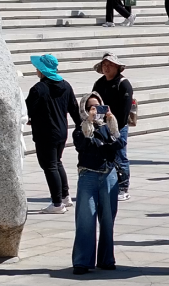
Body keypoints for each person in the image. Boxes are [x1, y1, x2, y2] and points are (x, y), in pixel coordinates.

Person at [71, 92, 125, 274]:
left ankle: (106, 259)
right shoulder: (80, 129)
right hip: (89, 175)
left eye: (98, 107)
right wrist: (89, 122)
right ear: (84, 110)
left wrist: (112, 124)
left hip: (109, 175)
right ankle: (82, 261)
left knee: (108, 220)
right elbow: (85, 144)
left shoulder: (107, 128)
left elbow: (119, 144)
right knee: (86, 219)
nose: (94, 112)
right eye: (90, 108)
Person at [26, 55, 81, 214]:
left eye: (38, 67)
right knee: (57, 162)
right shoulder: (66, 85)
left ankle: (57, 203)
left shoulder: (38, 89)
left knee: (49, 166)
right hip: (61, 131)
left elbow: (27, 110)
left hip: (46, 133)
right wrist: (80, 125)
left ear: (42, 70)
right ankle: (65, 196)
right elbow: (74, 109)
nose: (36, 70)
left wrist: (30, 119)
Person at [91, 53, 134, 201]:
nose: (106, 68)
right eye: (104, 65)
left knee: (120, 156)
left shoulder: (123, 84)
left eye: (110, 65)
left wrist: (115, 127)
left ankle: (123, 187)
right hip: (101, 125)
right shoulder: (99, 83)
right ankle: (107, 184)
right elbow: (93, 102)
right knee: (103, 155)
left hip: (118, 126)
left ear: (117, 67)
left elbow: (125, 110)